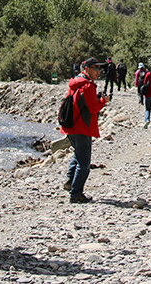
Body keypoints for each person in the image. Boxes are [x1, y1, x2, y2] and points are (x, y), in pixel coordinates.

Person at [61, 57, 111, 203]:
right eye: (95, 68)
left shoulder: (75, 83)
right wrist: (103, 101)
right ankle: (76, 194)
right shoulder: (88, 86)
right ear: (87, 68)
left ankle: (70, 181)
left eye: (99, 68)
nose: (98, 71)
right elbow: (93, 108)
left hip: (71, 127)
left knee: (77, 155)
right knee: (84, 164)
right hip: (82, 127)